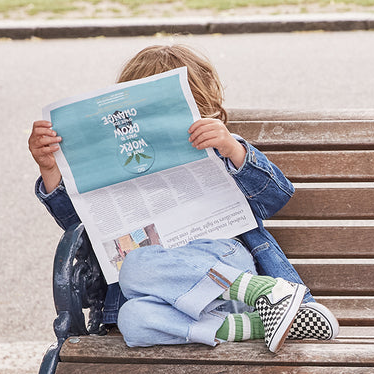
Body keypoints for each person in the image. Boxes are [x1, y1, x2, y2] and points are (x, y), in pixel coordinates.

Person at [29, 42, 339, 352]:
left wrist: (233, 150)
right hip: (179, 303)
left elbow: (275, 196)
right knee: (132, 318)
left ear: (202, 106)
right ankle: (261, 323)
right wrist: (50, 169)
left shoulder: (224, 148)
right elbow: (80, 225)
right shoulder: (116, 164)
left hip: (230, 272)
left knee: (136, 265)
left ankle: (266, 292)